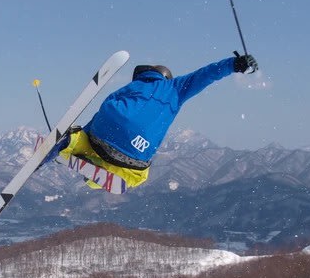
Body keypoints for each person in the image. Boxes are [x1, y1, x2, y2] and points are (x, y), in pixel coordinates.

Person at [55, 52, 258, 189]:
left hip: (104, 132)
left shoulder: (131, 87)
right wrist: (234, 64)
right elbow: (206, 75)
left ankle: (70, 144)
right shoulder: (176, 88)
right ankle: (94, 179)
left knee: (87, 141)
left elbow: (105, 109)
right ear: (166, 77)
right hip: (137, 151)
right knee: (136, 177)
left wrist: (78, 135)